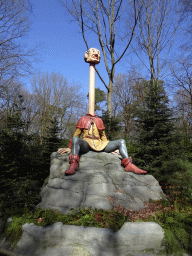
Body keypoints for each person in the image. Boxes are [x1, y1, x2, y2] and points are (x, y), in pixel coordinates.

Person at [57, 113, 147, 176]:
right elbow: (76, 135)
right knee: (76, 139)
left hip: (100, 144)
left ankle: (129, 165)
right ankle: (73, 164)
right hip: (86, 144)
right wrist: (70, 148)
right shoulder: (83, 119)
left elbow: (103, 137)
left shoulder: (99, 120)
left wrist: (113, 149)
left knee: (121, 141)